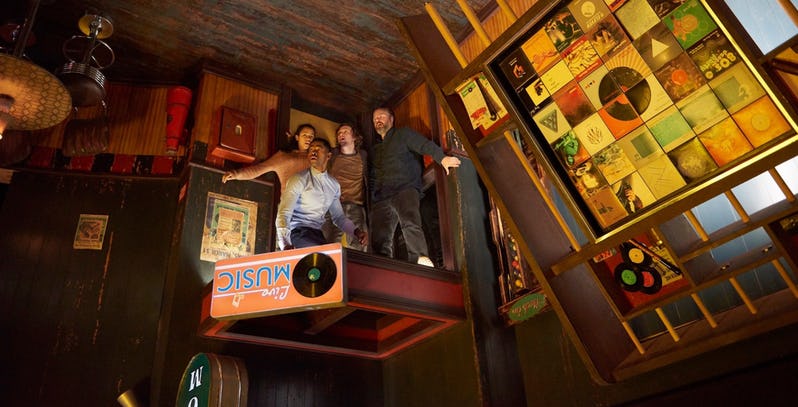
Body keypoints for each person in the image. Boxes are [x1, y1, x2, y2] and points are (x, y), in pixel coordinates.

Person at [369, 107, 461, 267]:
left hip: (404, 188)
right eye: (375, 118)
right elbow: (372, 176)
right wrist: (374, 195)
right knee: (379, 237)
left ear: (391, 119)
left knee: (410, 223)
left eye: (382, 116)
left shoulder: (403, 134)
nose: (378, 120)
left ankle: (420, 258)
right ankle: (382, 268)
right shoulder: (375, 149)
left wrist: (442, 158)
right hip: (382, 196)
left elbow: (423, 145)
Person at [275, 138, 368, 250]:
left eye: (318, 149)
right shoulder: (299, 179)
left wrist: (357, 232)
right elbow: (284, 213)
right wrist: (285, 243)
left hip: (317, 234)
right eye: (311, 149)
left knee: (336, 255)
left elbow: (339, 217)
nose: (313, 152)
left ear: (328, 156)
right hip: (297, 232)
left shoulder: (333, 185)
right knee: (324, 254)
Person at [221, 124, 316, 195]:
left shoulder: (316, 159)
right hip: (291, 206)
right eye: (305, 135)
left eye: (311, 136)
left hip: (312, 206)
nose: (308, 138)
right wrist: (236, 174)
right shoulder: (284, 156)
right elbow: (259, 169)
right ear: (297, 137)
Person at [322, 123, 369, 251]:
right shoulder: (332, 154)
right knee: (329, 245)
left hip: (355, 205)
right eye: (339, 133)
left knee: (359, 245)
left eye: (345, 132)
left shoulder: (363, 155)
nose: (341, 134)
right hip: (333, 205)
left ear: (354, 137)